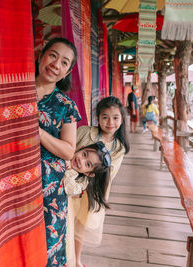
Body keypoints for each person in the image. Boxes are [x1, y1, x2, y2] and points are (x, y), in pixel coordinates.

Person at [67, 96, 130, 267]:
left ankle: (77, 259)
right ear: (98, 118)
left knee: (81, 225)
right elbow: (69, 149)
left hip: (92, 190)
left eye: (115, 118)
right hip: (70, 181)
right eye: (105, 117)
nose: (110, 122)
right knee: (68, 220)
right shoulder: (86, 132)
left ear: (122, 119)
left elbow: (109, 174)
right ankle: (65, 257)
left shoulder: (119, 147)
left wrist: (83, 187)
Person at [36, 37, 82, 266]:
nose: (56, 64)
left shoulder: (67, 106)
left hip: (50, 190)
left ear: (67, 72)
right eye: (53, 55)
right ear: (41, 56)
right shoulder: (15, 92)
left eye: (65, 62)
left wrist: (39, 133)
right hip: (11, 184)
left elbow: (68, 150)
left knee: (49, 250)